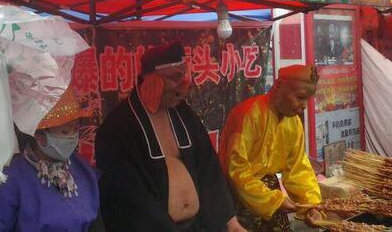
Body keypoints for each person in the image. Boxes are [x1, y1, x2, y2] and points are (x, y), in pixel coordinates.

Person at [95, 41, 244, 231]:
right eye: (175, 77)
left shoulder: (183, 114)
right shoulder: (118, 127)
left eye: (185, 75)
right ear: (150, 79)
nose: (184, 85)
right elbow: (128, 197)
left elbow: (209, 169)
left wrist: (231, 222)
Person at [0, 87, 100, 232]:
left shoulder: (82, 169)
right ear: (39, 135)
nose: (73, 136)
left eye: (76, 129)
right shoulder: (9, 177)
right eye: (65, 131)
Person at [219, 64, 323, 231]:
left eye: (307, 99)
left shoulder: (294, 123)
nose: (304, 105)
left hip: (269, 196)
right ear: (279, 86)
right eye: (300, 97)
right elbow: (235, 169)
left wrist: (310, 205)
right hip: (237, 197)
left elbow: (297, 168)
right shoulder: (249, 114)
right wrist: (272, 201)